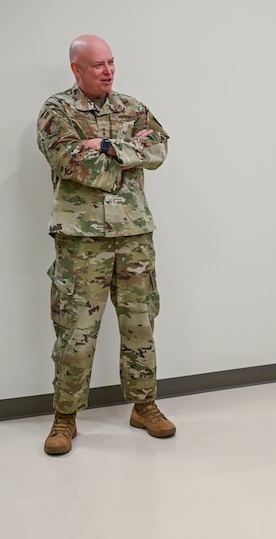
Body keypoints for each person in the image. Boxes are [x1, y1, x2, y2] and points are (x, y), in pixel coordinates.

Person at [37, 35, 175, 455]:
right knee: (75, 331)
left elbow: (160, 148)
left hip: (134, 236)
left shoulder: (131, 108)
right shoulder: (57, 111)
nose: (108, 71)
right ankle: (65, 416)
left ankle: (144, 405)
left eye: (111, 62)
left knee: (140, 324)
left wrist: (111, 146)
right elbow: (68, 160)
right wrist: (124, 164)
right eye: (98, 65)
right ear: (76, 69)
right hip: (81, 242)